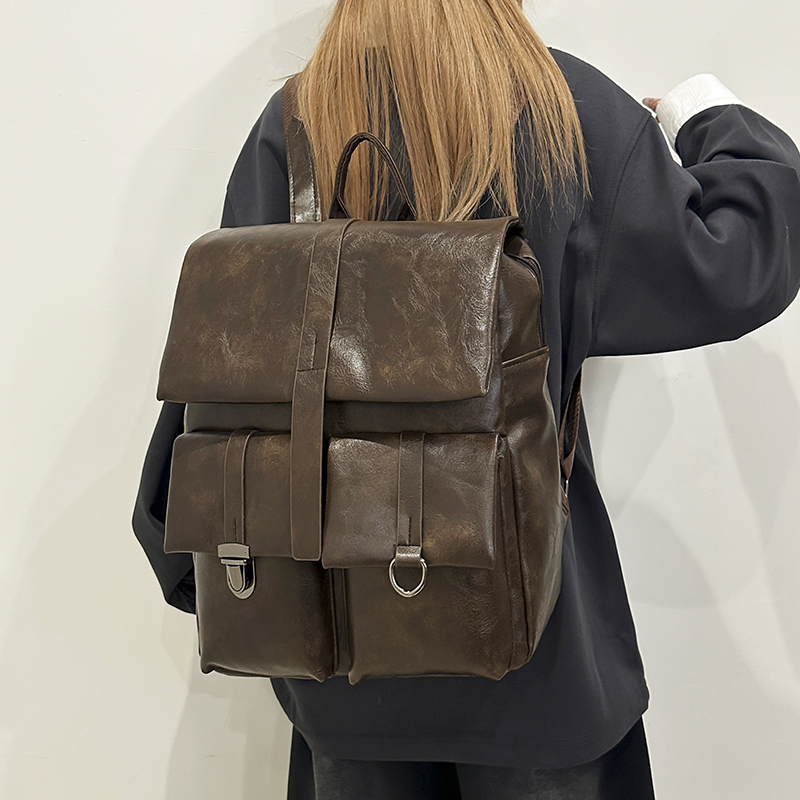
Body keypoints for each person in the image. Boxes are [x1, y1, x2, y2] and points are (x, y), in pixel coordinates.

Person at [132, 1, 800, 797]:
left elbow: (229, 367)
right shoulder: (567, 110)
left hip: (341, 662)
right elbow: (740, 258)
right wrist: (701, 109)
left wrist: (185, 545)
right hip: (538, 655)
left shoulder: (297, 122)